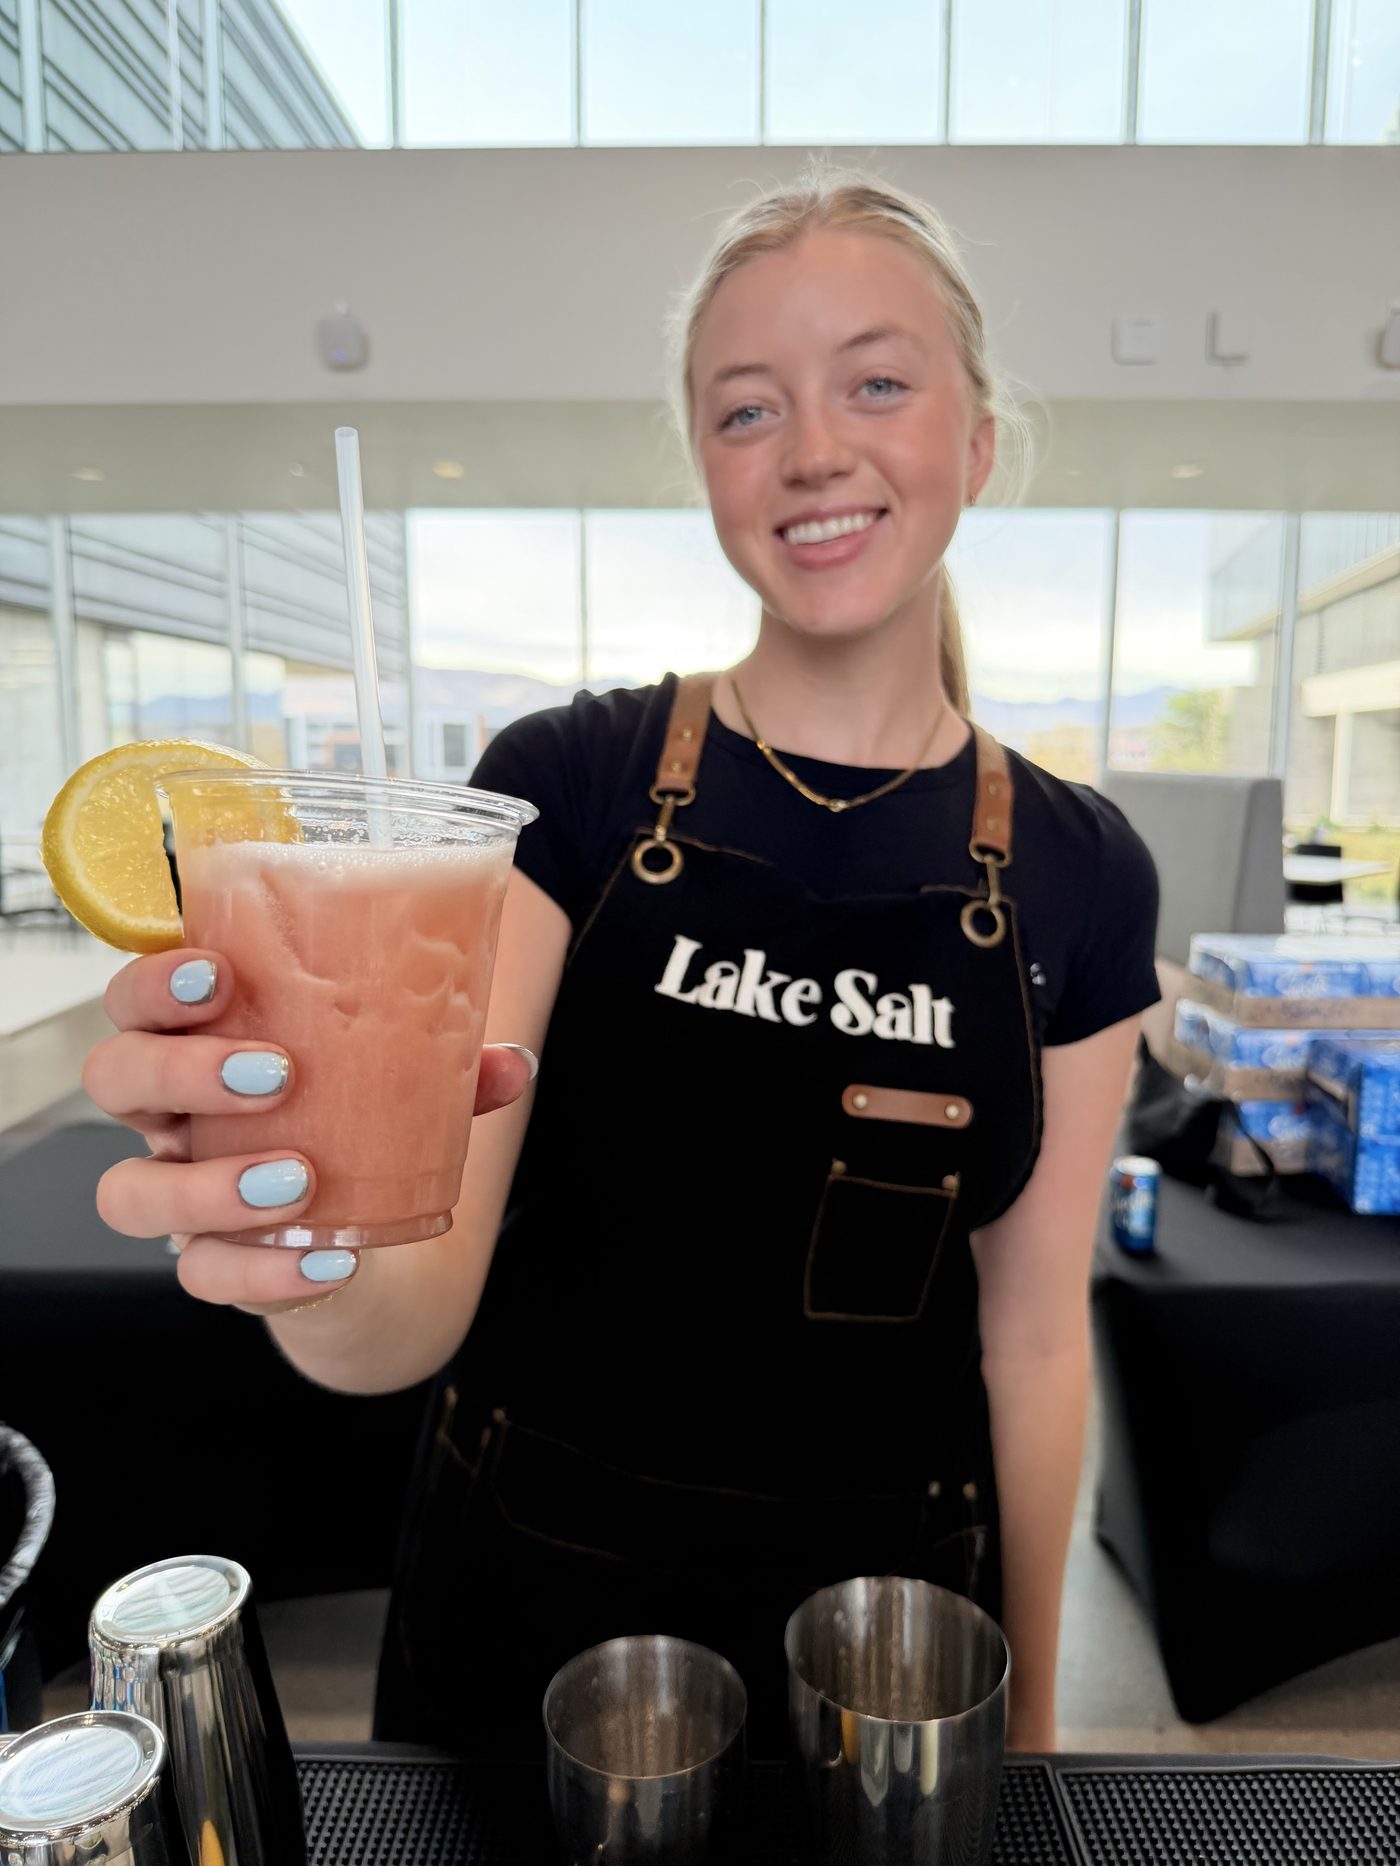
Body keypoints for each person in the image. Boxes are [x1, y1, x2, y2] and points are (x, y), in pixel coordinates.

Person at [84, 165, 1158, 1758]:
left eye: (876, 382)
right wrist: (308, 1226)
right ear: (707, 467)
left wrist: (1038, 1721)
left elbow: (1038, 1339)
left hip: (886, 1645)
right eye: (747, 409)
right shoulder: (571, 786)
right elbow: (406, 1314)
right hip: (532, 1604)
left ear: (980, 440)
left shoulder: (1082, 869)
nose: (813, 448)